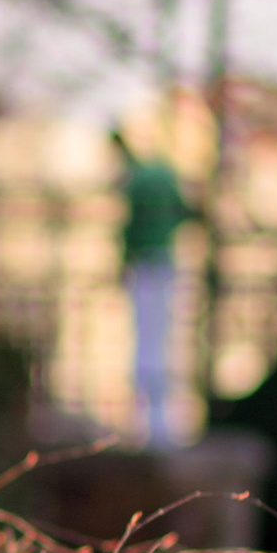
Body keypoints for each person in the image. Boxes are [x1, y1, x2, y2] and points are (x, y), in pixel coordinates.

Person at [113, 125, 193, 448]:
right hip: (164, 261)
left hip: (146, 264)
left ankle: (149, 423)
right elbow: (186, 212)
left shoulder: (137, 181)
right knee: (160, 336)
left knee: (146, 339)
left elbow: (128, 229)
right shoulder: (165, 175)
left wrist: (123, 260)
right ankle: (159, 424)